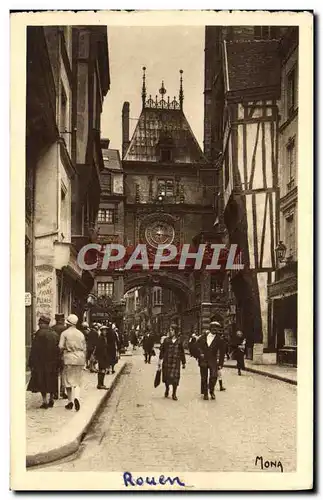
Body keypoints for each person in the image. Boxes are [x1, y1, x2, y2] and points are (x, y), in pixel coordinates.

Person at [27, 315, 60, 409]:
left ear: (42, 324)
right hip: (53, 362)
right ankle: (51, 399)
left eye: (39, 323)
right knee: (52, 380)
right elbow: (58, 349)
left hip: (41, 362)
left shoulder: (39, 334)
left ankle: (45, 401)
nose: (38, 325)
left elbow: (35, 350)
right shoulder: (54, 334)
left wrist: (31, 362)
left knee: (42, 381)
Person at [59, 314, 86, 411]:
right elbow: (84, 348)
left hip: (69, 358)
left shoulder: (64, 333)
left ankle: (70, 402)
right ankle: (77, 397)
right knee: (78, 381)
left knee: (68, 380)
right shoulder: (81, 334)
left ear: (68, 323)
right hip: (80, 358)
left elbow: (61, 346)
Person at [195, 320, 224, 400]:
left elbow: (222, 352)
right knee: (204, 377)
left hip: (213, 360)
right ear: (210, 328)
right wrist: (200, 353)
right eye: (214, 328)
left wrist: (221, 363)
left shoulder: (220, 339)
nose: (215, 330)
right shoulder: (203, 337)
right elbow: (197, 346)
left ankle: (211, 390)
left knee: (214, 376)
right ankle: (205, 393)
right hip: (203, 359)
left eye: (217, 328)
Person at [158, 324, 186, 401]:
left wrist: (183, 362)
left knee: (175, 378)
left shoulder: (179, 341)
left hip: (175, 362)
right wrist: (160, 361)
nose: (170, 331)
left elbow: (182, 352)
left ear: (175, 331)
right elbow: (162, 351)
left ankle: (174, 393)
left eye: (172, 330)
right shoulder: (166, 340)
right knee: (167, 377)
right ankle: (167, 389)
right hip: (167, 361)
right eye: (170, 330)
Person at [52, 313, 68, 399]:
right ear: (62, 320)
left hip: (54, 354)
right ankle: (62, 392)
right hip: (63, 353)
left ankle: (55, 393)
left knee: (54, 373)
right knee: (63, 373)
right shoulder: (65, 329)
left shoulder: (52, 328)